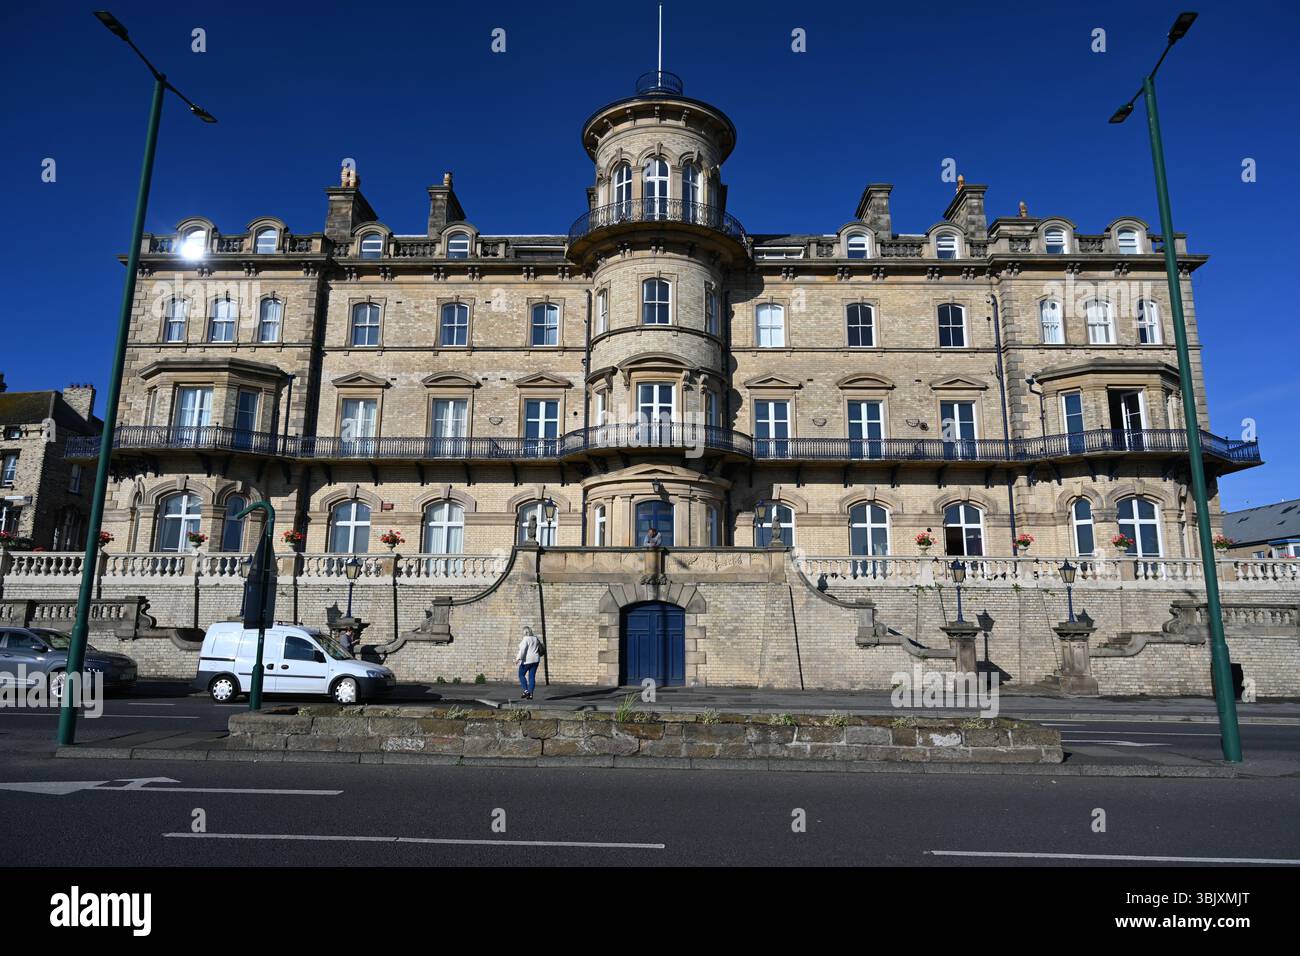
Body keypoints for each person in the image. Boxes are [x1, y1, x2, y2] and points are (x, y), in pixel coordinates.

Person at [514, 625, 543, 700]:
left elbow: (523, 650)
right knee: (532, 677)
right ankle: (530, 694)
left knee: (521, 674)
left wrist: (518, 658)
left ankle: (526, 691)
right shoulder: (535, 638)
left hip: (527, 661)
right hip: (535, 660)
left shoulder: (525, 639)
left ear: (525, 632)